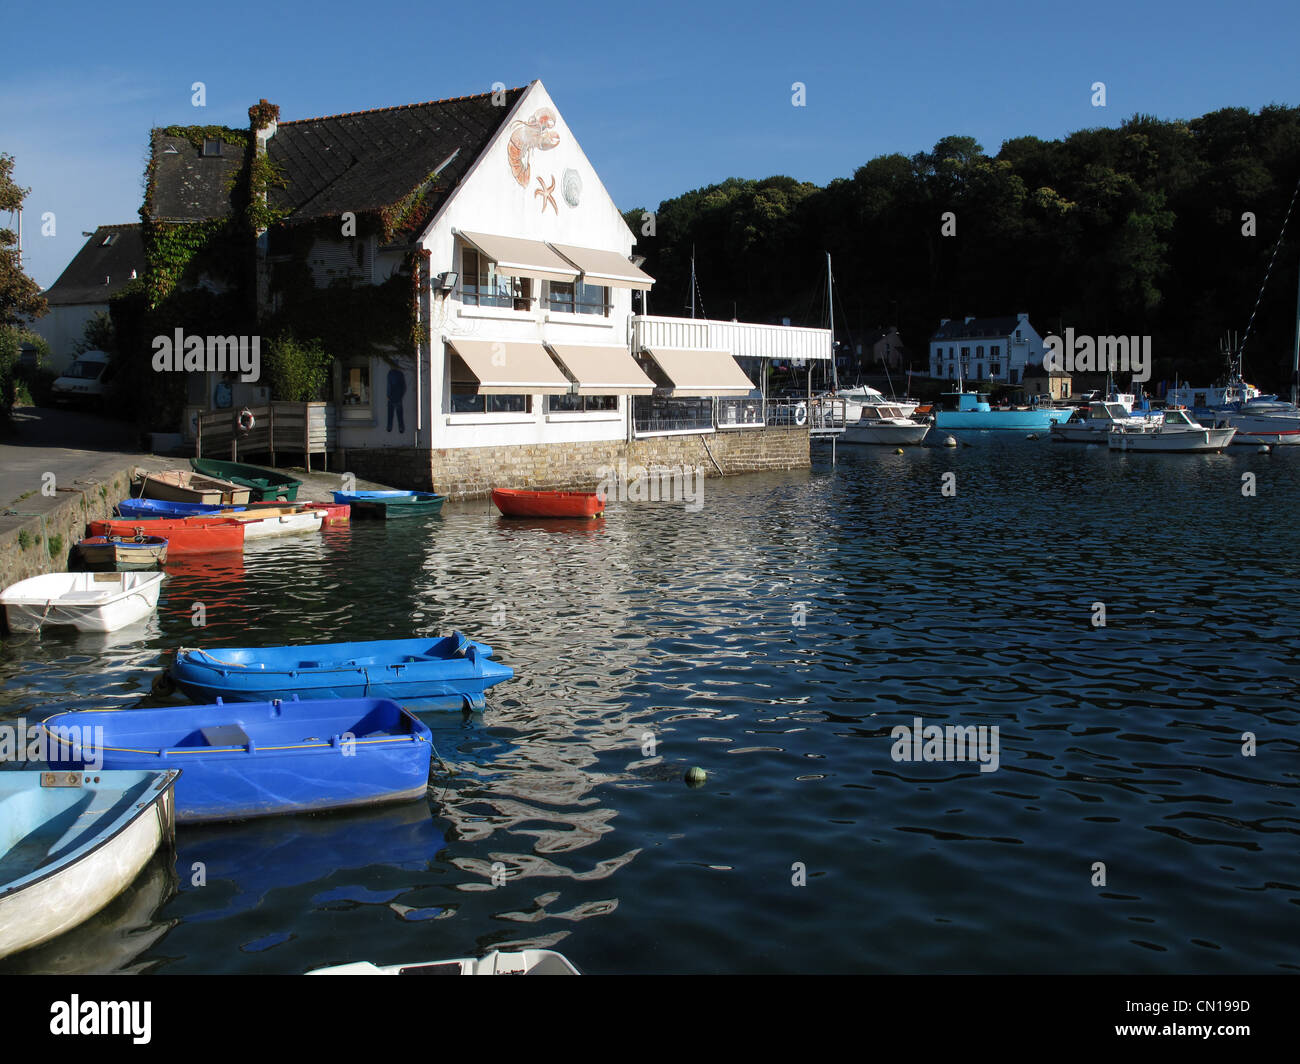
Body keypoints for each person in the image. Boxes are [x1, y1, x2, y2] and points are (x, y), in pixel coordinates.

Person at [387, 366, 406, 433]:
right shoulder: (400, 374)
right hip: (398, 396)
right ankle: (401, 428)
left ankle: (389, 427)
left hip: (392, 396)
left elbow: (389, 385)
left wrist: (388, 395)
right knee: (399, 414)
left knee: (390, 414)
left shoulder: (390, 373)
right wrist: (401, 395)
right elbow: (404, 386)